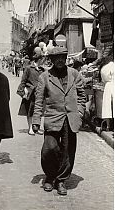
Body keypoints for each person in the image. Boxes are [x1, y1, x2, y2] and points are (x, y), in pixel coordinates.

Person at [32, 47, 86, 196]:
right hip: (53, 118)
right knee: (49, 149)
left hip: (71, 119)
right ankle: (50, 176)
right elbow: (39, 101)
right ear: (51, 60)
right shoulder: (44, 77)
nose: (60, 60)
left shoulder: (74, 74)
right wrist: (36, 120)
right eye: (56, 58)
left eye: (62, 57)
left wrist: (80, 112)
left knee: (68, 152)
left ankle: (61, 180)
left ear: (66, 57)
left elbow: (82, 96)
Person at [17, 47, 45, 135]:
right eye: (43, 59)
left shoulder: (42, 70)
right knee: (30, 111)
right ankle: (30, 128)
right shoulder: (29, 68)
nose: (44, 61)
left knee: (39, 111)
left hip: (40, 93)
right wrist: (21, 92)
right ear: (39, 59)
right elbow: (23, 81)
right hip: (30, 93)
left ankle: (38, 127)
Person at [99, 53, 114, 131]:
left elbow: (102, 80)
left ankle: (108, 125)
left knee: (107, 106)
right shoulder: (113, 66)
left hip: (107, 86)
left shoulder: (104, 68)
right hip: (113, 84)